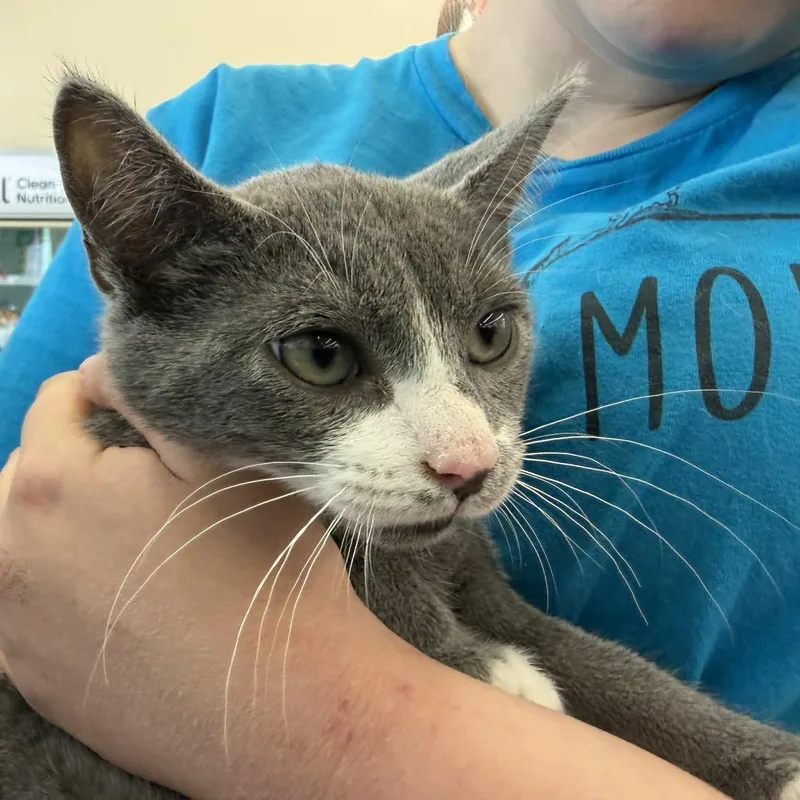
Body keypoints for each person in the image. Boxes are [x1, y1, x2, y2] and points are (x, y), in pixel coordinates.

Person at [0, 0, 799, 794]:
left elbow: (511, 626)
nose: (467, 453)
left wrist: (372, 719)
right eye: (322, 355)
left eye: (488, 341)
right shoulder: (218, 119)